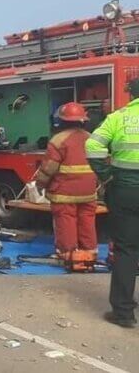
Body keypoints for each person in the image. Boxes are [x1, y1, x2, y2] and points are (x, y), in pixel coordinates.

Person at [86, 78, 139, 328]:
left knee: (127, 250)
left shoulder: (119, 117)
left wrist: (106, 176)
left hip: (125, 190)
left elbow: (93, 145)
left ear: (132, 95)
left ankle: (124, 314)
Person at [35, 102, 98, 264]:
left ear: (62, 121)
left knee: (66, 220)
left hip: (64, 191)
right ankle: (90, 252)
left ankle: (68, 254)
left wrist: (40, 184)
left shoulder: (58, 140)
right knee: (87, 220)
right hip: (88, 190)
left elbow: (49, 168)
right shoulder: (92, 138)